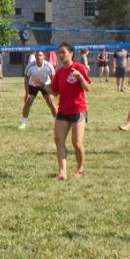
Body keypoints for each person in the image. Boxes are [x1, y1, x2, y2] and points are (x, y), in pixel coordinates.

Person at [49, 43, 91, 181]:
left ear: (71, 53)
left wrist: (80, 77)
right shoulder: (59, 72)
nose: (60, 55)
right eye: (59, 53)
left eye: (63, 52)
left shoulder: (79, 68)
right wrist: (42, 85)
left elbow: (88, 88)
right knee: (58, 140)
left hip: (78, 109)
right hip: (63, 110)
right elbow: (55, 92)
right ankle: (62, 172)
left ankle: (80, 168)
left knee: (77, 142)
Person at [19, 49, 56, 129]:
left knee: (50, 102)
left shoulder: (49, 66)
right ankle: (23, 123)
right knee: (28, 102)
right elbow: (26, 80)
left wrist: (53, 91)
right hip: (33, 85)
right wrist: (27, 93)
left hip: (45, 84)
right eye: (37, 55)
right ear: (34, 57)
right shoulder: (30, 66)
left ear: (44, 57)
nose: (39, 57)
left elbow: (53, 80)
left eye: (40, 55)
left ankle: (57, 122)